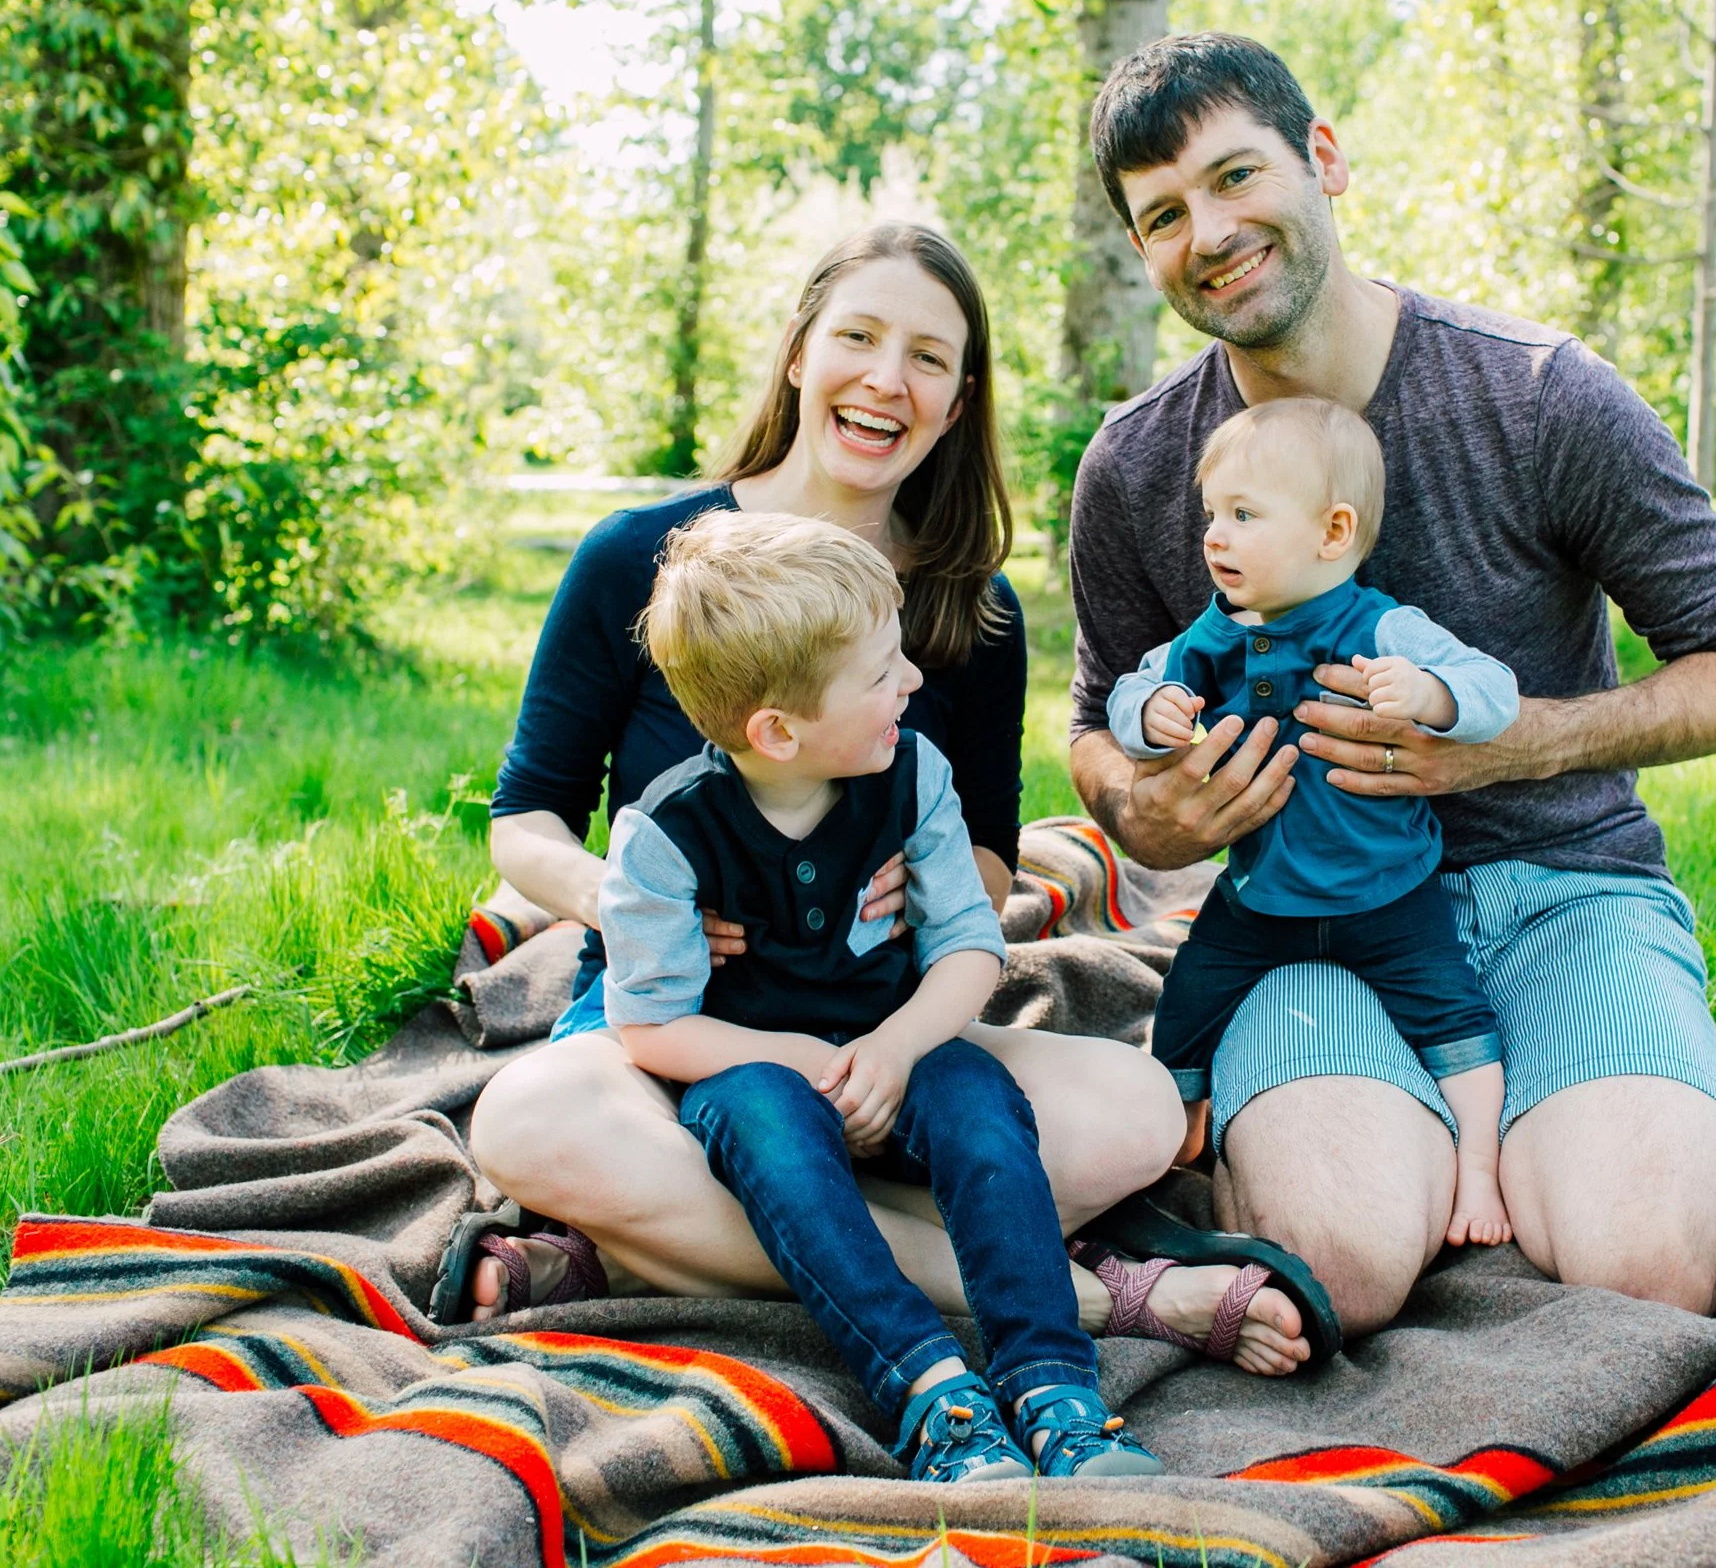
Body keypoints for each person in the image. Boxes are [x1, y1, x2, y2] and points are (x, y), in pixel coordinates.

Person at [461, 220, 1313, 1375]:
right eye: (856, 336)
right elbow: (526, 819)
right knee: (528, 1118)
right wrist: (622, 899)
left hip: (886, 1033)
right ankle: (1087, 1295)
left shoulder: (977, 612)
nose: (884, 378)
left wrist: (930, 894)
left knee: (1141, 1109)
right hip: (679, 1037)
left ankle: (641, 1245)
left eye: (926, 356)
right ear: (800, 354)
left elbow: (995, 864)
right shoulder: (645, 560)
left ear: (958, 401)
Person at [1065, 34, 1716, 1339]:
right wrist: (1148, 810)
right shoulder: (1135, 468)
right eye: (1165, 214)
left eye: (1238, 175)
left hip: (1565, 888)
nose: (1212, 230)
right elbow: (1091, 730)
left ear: (1327, 159)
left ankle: (1554, 1128)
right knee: (1338, 1268)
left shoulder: (1537, 395)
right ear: (1144, 253)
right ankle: (1412, 1154)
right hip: (1302, 912)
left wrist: (1507, 746)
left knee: (1650, 1267)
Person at [600, 510, 1162, 1481]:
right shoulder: (665, 832)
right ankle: (932, 1391)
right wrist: (799, 1061)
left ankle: (1051, 1382)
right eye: (879, 672)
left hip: (895, 1033)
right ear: (775, 729)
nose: (911, 680)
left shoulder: (913, 772)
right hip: (753, 1062)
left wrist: (896, 1047)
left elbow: (969, 949)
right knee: (773, 1139)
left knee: (982, 1107)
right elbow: (645, 1020)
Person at [1105, 396, 1520, 1244]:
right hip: (1259, 897)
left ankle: (1478, 1161)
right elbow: (1129, 687)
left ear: (1333, 533)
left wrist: (1431, 695)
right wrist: (1150, 712)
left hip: (1388, 893)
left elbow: (1495, 691)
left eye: (1244, 516)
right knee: (1183, 1004)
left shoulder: (1383, 626)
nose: (1214, 537)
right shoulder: (1214, 636)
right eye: (1212, 515)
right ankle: (1176, 1130)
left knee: (1458, 1020)